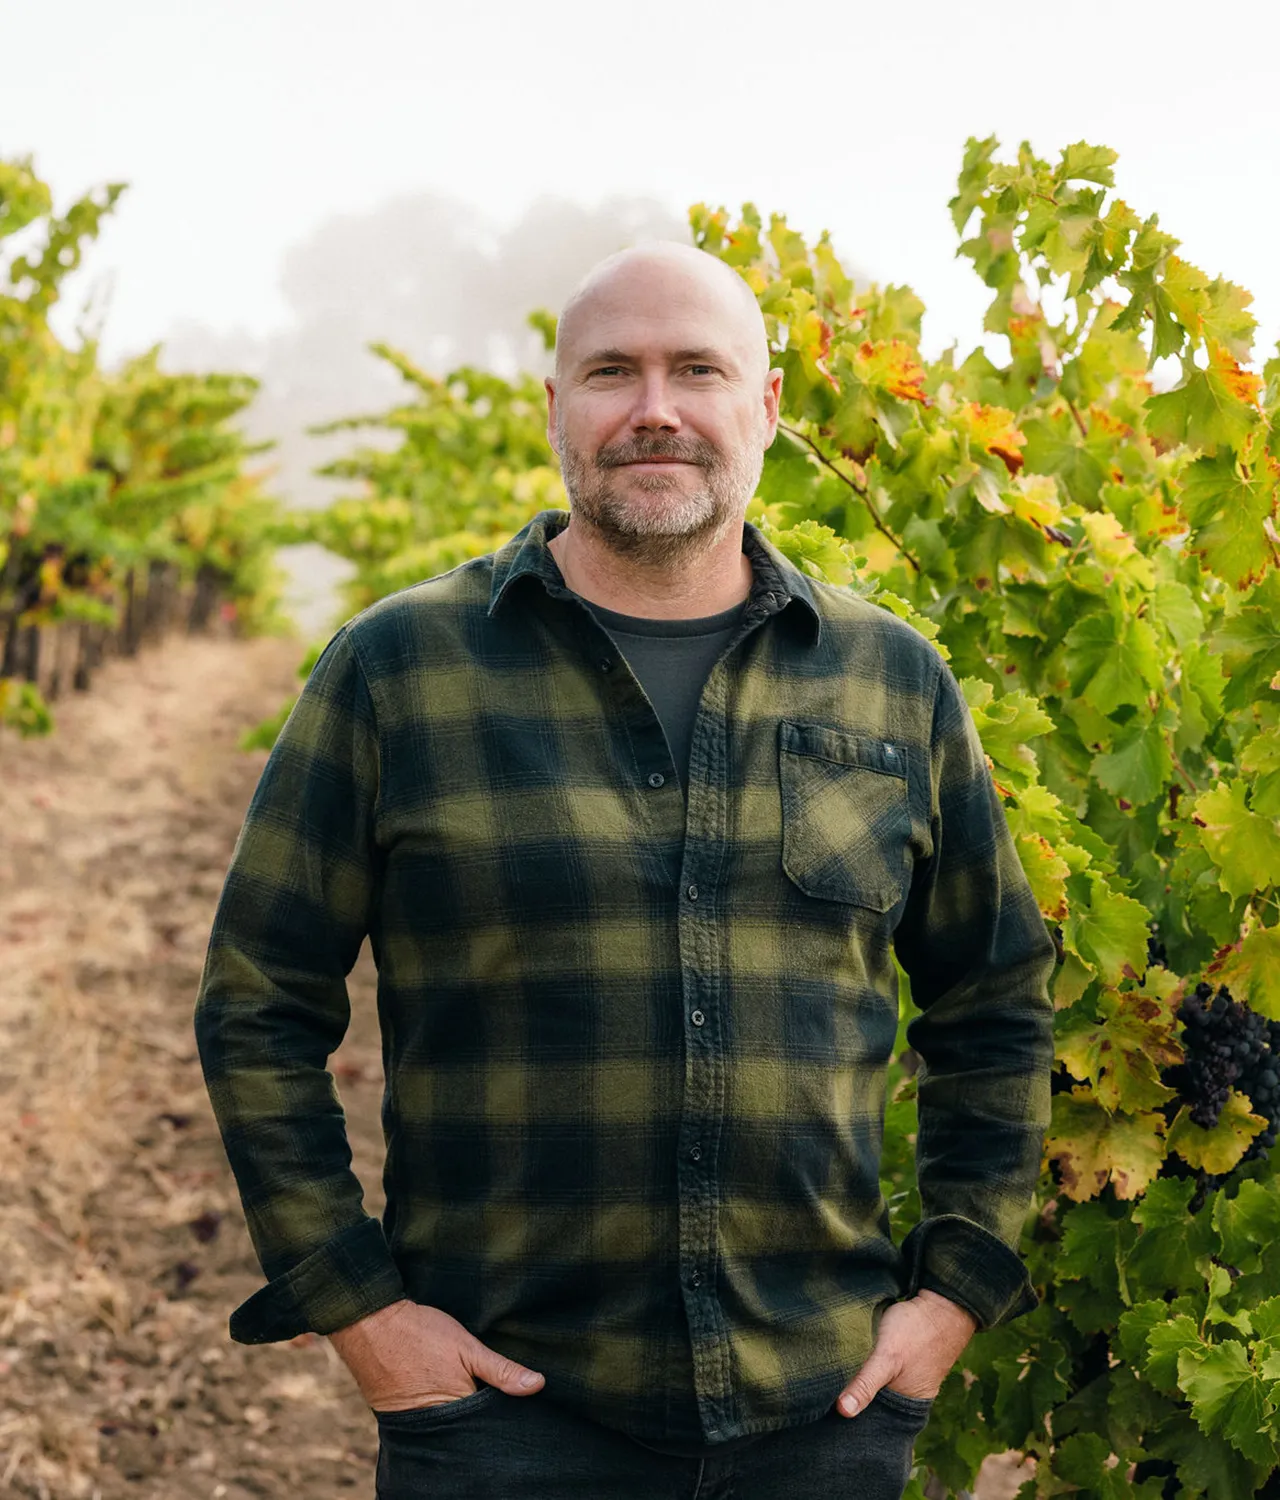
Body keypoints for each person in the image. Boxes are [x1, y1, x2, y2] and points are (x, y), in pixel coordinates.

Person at [194, 242, 1056, 1499]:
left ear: (763, 408)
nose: (654, 408)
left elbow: (995, 997)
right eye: (611, 371)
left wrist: (954, 1293)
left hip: (823, 1415)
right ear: (555, 411)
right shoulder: (396, 673)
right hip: (502, 1418)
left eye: (695, 369)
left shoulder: (890, 679)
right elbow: (258, 1000)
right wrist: (359, 1310)